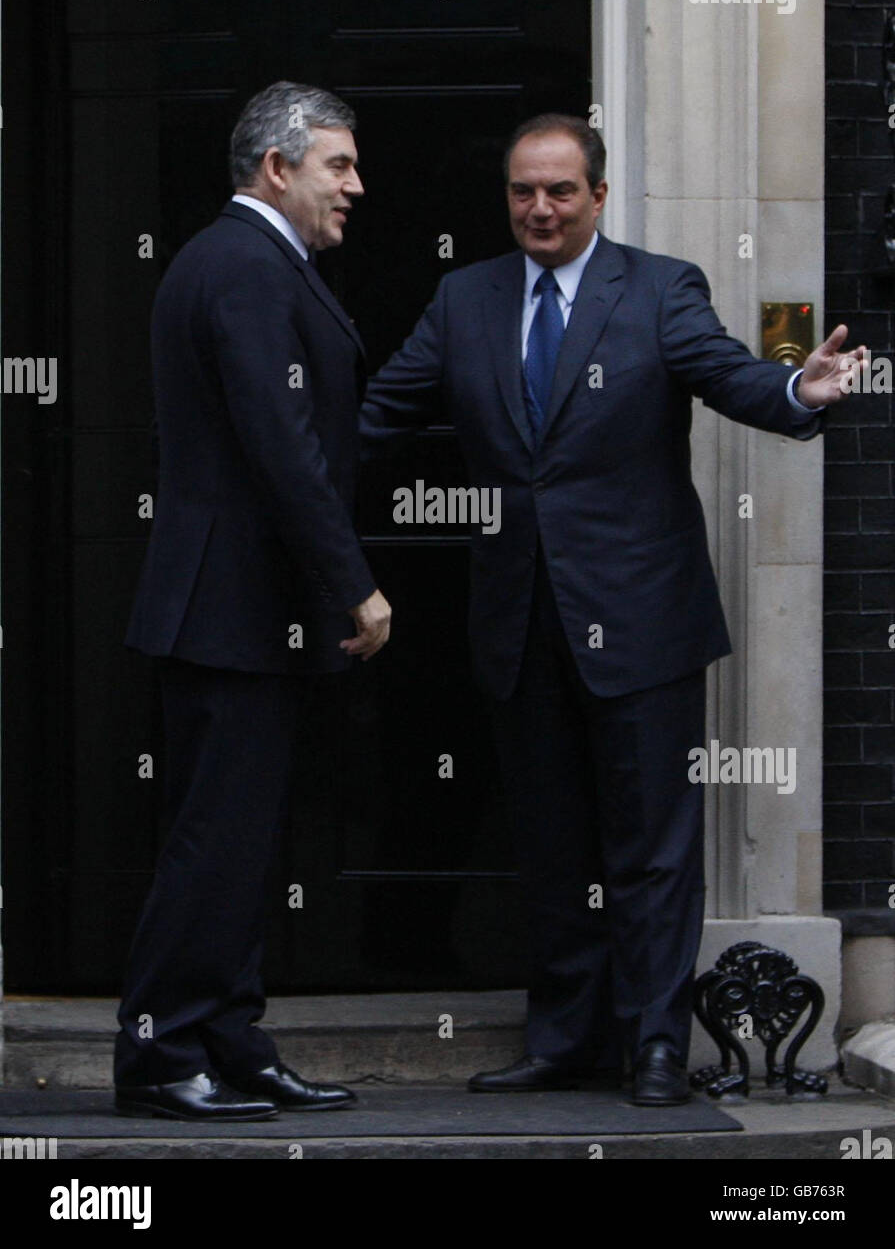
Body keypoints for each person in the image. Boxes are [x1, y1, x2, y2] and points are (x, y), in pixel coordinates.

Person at [360, 113, 864, 1106]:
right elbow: (377, 414)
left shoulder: (660, 287)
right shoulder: (464, 298)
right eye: (521, 191)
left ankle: (656, 1046)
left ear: (597, 196)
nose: (538, 209)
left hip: (640, 615)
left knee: (650, 844)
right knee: (550, 845)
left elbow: (729, 374)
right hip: (520, 617)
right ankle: (565, 1039)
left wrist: (796, 388)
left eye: (558, 191)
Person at [114, 81, 391, 1121]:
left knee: (239, 838)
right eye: (339, 165)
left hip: (243, 609)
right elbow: (282, 446)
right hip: (230, 606)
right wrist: (352, 582)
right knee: (214, 840)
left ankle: (228, 1039)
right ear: (277, 168)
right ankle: (158, 1054)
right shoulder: (239, 263)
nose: (356, 186)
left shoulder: (252, 262)